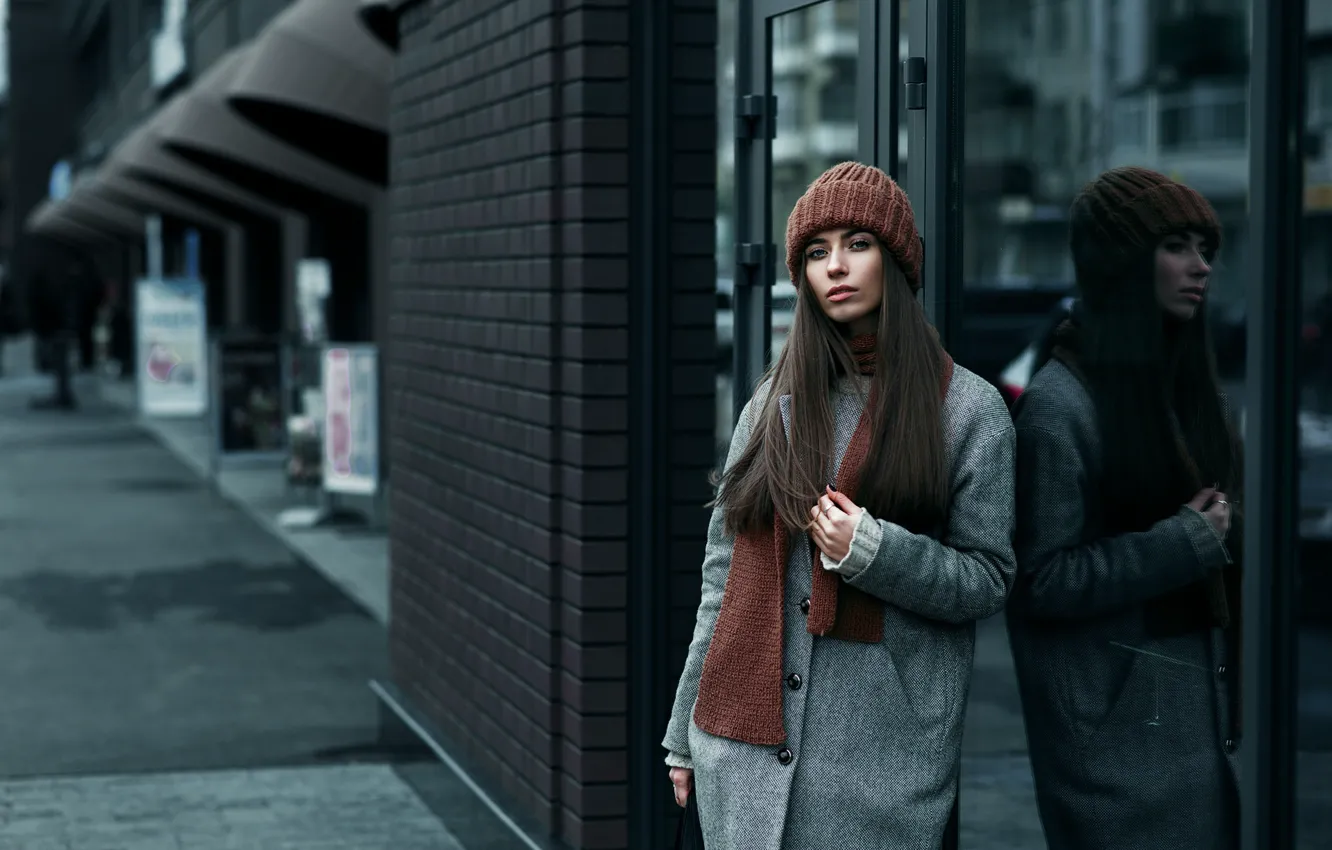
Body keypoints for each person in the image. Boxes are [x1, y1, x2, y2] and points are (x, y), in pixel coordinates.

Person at [660, 162, 1017, 848]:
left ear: (897, 258)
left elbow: (988, 578)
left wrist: (878, 553)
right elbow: (723, 580)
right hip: (743, 753)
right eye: (817, 253)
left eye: (858, 243)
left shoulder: (968, 410)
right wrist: (683, 733)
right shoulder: (775, 404)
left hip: (875, 770)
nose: (837, 266)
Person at [1006, 166, 1243, 850]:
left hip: (1198, 730)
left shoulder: (1190, 394)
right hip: (1113, 752)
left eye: (1206, 248)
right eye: (1177, 246)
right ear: (1124, 262)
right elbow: (1038, 579)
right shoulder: (1061, 406)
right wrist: (1182, 543)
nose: (1199, 266)